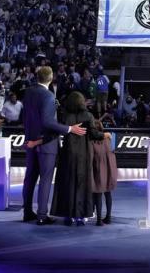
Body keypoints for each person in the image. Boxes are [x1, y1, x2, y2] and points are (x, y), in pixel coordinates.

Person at [22, 66, 85, 226]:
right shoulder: (48, 95)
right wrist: (69, 129)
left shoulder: (28, 92)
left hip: (30, 142)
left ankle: (27, 212)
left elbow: (25, 117)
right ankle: (42, 215)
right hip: (47, 144)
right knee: (45, 179)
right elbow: (48, 122)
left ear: (37, 77)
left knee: (30, 178)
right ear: (50, 78)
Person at [50, 91, 109, 226]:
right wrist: (105, 135)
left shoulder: (65, 116)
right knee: (81, 184)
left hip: (67, 155)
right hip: (83, 154)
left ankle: (68, 216)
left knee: (67, 183)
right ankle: (80, 217)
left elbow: (58, 130)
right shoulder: (88, 116)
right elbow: (94, 134)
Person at [92, 120, 117, 226]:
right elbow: (113, 152)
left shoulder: (92, 141)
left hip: (98, 169)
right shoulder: (110, 139)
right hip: (109, 169)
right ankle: (108, 217)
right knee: (108, 193)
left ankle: (99, 220)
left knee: (98, 193)